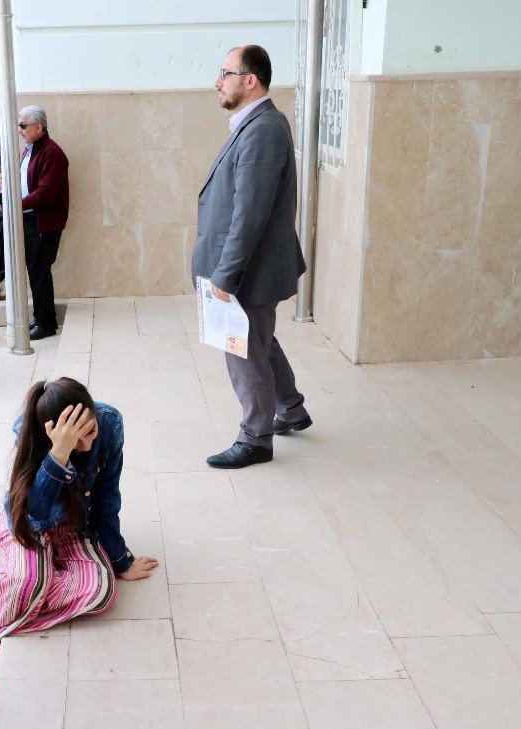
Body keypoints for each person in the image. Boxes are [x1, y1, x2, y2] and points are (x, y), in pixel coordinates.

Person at [0, 378, 159, 671]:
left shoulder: (110, 423)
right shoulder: (30, 431)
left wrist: (121, 561)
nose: (87, 445)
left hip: (74, 527)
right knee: (32, 583)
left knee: (100, 592)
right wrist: (58, 454)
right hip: (27, 527)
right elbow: (34, 515)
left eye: (90, 431)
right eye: (76, 439)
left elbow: (107, 499)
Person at [194, 45, 311, 470]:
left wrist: (225, 275)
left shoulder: (263, 129)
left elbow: (250, 213)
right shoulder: (255, 124)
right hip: (255, 267)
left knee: (243, 348)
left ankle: (256, 438)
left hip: (250, 270)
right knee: (260, 340)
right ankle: (291, 409)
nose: (216, 81)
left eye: (224, 72)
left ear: (250, 80)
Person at [18, 105, 69, 341]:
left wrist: (16, 203)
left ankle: (46, 322)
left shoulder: (51, 152)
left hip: (43, 222)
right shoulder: (31, 149)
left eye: (22, 125)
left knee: (39, 271)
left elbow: (46, 193)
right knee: (35, 270)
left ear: (38, 127)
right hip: (31, 218)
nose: (19, 130)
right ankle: (41, 317)